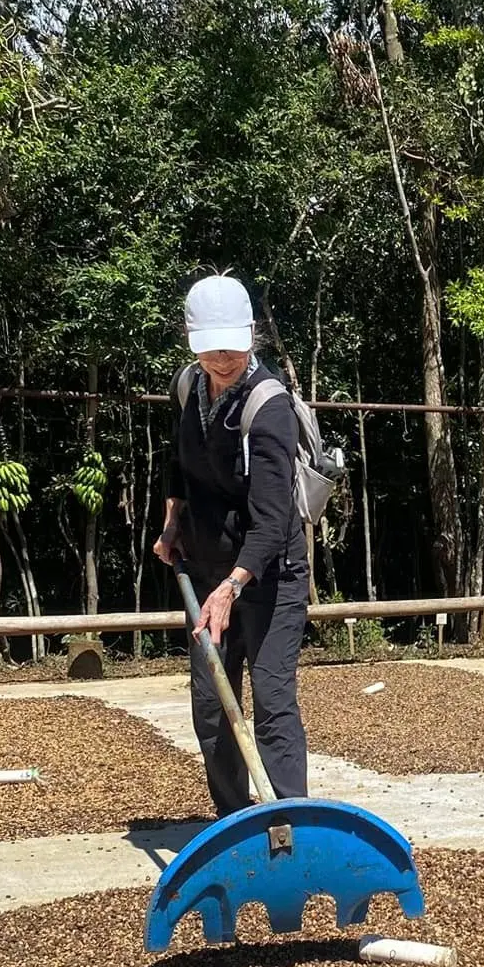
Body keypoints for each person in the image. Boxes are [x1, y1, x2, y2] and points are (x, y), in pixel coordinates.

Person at [153, 273, 309, 811]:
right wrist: (174, 522)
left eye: (234, 348)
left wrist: (230, 589)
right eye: (212, 349)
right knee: (213, 705)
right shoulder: (188, 388)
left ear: (250, 338)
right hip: (206, 565)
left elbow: (271, 521)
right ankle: (234, 823)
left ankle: (289, 823)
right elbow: (179, 463)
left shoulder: (269, 407)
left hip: (270, 574)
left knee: (270, 699)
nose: (224, 360)